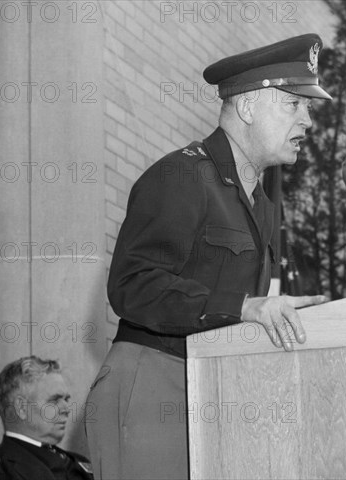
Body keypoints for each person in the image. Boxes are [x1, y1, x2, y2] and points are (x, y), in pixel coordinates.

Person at [85, 33, 332, 479]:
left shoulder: (264, 205)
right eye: (294, 104)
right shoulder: (180, 175)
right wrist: (242, 307)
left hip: (214, 390)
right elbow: (132, 285)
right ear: (248, 107)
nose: (308, 121)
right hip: (153, 384)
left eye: (308, 108)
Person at [0, 356, 94, 480]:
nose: (66, 409)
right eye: (54, 400)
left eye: (66, 399)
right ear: (21, 408)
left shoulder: (80, 463)